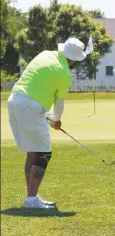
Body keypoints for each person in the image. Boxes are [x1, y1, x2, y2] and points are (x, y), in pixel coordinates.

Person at [7, 37, 92, 209]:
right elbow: (59, 103)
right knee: (43, 154)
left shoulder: (45, 54)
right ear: (74, 59)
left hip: (14, 100)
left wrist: (46, 115)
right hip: (30, 105)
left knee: (33, 151)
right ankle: (31, 199)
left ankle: (32, 198)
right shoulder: (64, 73)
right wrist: (56, 120)